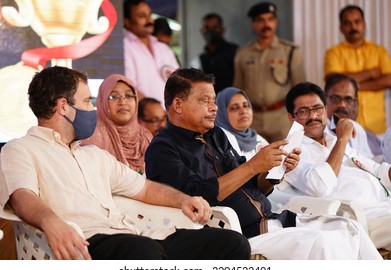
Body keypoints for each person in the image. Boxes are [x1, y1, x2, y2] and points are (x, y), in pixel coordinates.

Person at [0, 66, 251, 260]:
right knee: (143, 252)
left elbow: (145, 188)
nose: (92, 109)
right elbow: (22, 197)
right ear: (64, 107)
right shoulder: (21, 149)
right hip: (85, 244)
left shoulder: (93, 155)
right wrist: (51, 222)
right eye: (88, 101)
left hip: (134, 236)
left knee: (231, 243)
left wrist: (183, 200)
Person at [145, 67, 381, 259]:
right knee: (323, 243)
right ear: (177, 105)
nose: (214, 107)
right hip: (239, 234)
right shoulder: (163, 149)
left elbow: (256, 188)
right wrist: (253, 165)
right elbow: (196, 198)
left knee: (349, 229)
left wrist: (275, 169)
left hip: (273, 220)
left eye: (214, 100)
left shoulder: (216, 135)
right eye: (205, 100)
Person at [284, 81, 391, 252]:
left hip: (384, 205)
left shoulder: (332, 138)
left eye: (318, 108)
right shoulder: (291, 150)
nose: (313, 116)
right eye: (304, 111)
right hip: (358, 217)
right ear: (292, 117)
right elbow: (321, 186)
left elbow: (375, 169)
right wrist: (342, 140)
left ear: (325, 110)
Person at [234, 2, 306, 143]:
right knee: (253, 160)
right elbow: (238, 90)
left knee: (285, 161)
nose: (266, 24)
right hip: (253, 120)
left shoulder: (289, 51)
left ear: (276, 22)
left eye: (270, 19)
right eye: (261, 20)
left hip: (281, 119)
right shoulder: (243, 54)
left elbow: (300, 89)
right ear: (253, 24)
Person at [324, 4, 391, 135]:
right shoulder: (333, 52)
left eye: (356, 22)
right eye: (347, 23)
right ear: (341, 28)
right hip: (345, 127)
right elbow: (333, 80)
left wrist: (350, 86)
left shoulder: (379, 51)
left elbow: (389, 80)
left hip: (377, 126)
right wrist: (371, 73)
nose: (353, 27)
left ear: (364, 24)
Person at [81, 74, 152, 174]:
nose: (122, 102)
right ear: (102, 101)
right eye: (113, 97)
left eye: (128, 96)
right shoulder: (91, 136)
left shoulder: (145, 137)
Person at [123, 0, 179, 105]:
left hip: (168, 116)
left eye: (149, 15)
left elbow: (178, 82)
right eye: (142, 16)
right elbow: (127, 86)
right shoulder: (124, 46)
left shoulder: (163, 49)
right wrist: (151, 109)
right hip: (142, 116)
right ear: (128, 22)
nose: (149, 20)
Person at [324, 73, 382, 161]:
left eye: (348, 99)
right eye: (335, 98)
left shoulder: (359, 130)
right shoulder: (319, 132)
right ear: (324, 100)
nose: (342, 105)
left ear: (356, 104)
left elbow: (370, 163)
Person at [215, 87, 268, 161]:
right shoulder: (218, 141)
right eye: (234, 108)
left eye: (246, 105)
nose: (243, 111)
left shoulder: (258, 139)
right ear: (222, 113)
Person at [190, 13, 238, 93]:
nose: (210, 31)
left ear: (222, 29)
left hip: (230, 102)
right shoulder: (202, 58)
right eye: (207, 28)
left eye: (214, 27)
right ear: (202, 31)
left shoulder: (234, 52)